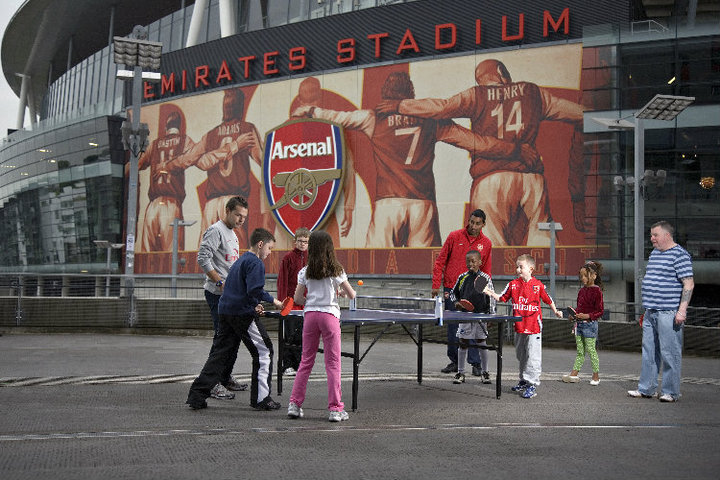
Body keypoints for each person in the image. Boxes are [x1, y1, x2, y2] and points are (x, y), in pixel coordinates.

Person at [294, 71, 534, 247]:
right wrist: (515, 149)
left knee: (376, 264)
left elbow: (340, 118)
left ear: (385, 94)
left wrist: (312, 111)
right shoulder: (432, 121)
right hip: (423, 203)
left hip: (388, 203)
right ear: (410, 95)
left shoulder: (372, 118)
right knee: (425, 265)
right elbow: (477, 142)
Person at [378, 59, 586, 245]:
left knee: (490, 246)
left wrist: (400, 106)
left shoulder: (476, 95)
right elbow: (581, 115)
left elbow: (442, 107)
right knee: (541, 237)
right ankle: (539, 285)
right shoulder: (534, 93)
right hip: (531, 178)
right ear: (502, 74)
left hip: (490, 179)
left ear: (482, 80)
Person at [187, 228, 284, 411]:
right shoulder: (256, 263)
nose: (269, 253)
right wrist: (274, 301)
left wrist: (254, 303)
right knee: (264, 352)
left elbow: (236, 288)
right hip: (242, 314)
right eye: (269, 248)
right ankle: (261, 399)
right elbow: (254, 290)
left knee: (220, 354)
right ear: (260, 244)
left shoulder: (239, 261)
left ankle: (197, 395)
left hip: (225, 310)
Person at [178, 88, 265, 248]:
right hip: (235, 200)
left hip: (211, 203)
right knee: (235, 252)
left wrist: (212, 156)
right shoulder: (246, 129)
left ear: (224, 108)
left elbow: (195, 160)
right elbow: (262, 159)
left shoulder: (210, 135)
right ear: (240, 107)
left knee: (206, 253)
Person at [287, 230, 356, 422]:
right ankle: (335, 409)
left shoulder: (306, 271)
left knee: (305, 361)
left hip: (310, 316)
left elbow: (298, 298)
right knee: (333, 363)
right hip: (329, 316)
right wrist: (337, 292)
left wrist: (314, 297)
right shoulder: (337, 269)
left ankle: (294, 404)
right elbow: (352, 295)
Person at [628, 221, 694, 403]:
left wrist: (682, 311)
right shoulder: (656, 253)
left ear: (667, 235)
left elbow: (688, 284)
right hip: (651, 311)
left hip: (669, 312)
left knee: (670, 353)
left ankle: (670, 392)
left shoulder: (680, 255)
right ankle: (646, 388)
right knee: (649, 351)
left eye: (655, 235)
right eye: (651, 235)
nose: (652, 239)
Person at [486, 254, 562, 398]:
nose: (518, 269)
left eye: (521, 267)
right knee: (521, 356)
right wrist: (489, 292)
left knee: (533, 357)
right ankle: (523, 380)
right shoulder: (513, 284)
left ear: (531, 269)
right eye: (517, 267)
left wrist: (556, 311)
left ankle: (532, 384)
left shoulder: (538, 285)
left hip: (534, 328)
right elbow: (501, 297)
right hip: (519, 327)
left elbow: (548, 299)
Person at [196, 196, 249, 400]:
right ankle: (213, 383)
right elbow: (202, 258)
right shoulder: (216, 230)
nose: (240, 220)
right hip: (217, 294)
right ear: (227, 211)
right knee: (221, 340)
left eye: (243, 216)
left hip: (231, 296)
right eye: (237, 215)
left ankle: (225, 377)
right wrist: (220, 282)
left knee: (232, 338)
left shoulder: (233, 234)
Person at [433, 209, 492, 376]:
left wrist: (486, 292)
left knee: (473, 327)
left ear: (483, 225)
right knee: (453, 327)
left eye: (477, 223)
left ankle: (475, 363)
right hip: (452, 288)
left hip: (475, 292)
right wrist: (436, 284)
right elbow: (440, 262)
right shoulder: (454, 236)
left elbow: (486, 269)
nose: (473, 226)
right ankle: (454, 361)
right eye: (471, 222)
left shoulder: (486, 243)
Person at [137, 106, 195, 252]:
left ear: (165, 127)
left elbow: (138, 165)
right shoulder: (184, 140)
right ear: (179, 126)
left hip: (152, 205)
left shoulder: (155, 144)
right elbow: (197, 156)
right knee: (172, 253)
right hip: (171, 202)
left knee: (147, 253)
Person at [449, 250, 495, 385]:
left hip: (481, 316)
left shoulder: (485, 278)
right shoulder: (462, 278)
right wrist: (456, 303)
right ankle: (461, 373)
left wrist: (491, 316)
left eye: (473, 261)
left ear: (480, 262)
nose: (470, 264)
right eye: (468, 261)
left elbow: (491, 298)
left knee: (482, 343)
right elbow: (453, 293)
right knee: (463, 343)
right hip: (465, 316)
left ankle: (485, 372)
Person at [562, 261, 604, 386]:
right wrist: (573, 315)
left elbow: (600, 311)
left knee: (591, 350)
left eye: (586, 275)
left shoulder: (597, 292)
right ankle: (574, 373)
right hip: (579, 325)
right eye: (581, 276)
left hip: (590, 325)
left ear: (594, 276)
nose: (583, 278)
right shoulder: (581, 291)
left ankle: (596, 376)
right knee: (580, 351)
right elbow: (579, 308)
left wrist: (587, 316)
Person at [277, 227, 310, 376]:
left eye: (305, 241)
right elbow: (282, 281)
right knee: (289, 334)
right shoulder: (288, 258)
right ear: (294, 241)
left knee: (303, 335)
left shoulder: (311, 257)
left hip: (306, 303)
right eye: (300, 241)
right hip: (291, 302)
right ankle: (287, 365)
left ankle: (299, 365)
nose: (302, 244)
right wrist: (282, 302)